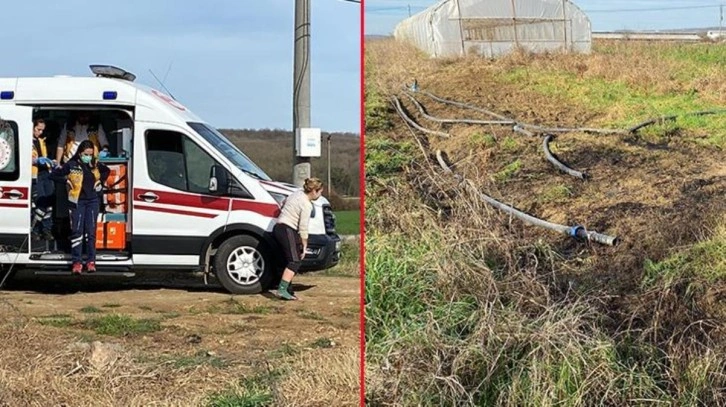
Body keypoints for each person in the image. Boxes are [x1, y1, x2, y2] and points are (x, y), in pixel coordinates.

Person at [51, 140, 110, 274]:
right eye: (85, 154)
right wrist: (66, 180)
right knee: (77, 231)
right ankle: (76, 262)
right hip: (76, 201)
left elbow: (107, 171)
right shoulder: (71, 165)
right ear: (80, 153)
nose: (88, 156)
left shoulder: (94, 164)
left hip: (92, 201)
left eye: (90, 154)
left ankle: (91, 261)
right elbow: (53, 175)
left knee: (91, 231)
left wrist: (100, 181)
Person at [272, 177, 324, 300]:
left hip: (278, 228)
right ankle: (282, 290)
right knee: (295, 261)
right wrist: (304, 244)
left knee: (286, 260)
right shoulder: (306, 204)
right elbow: (303, 226)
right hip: (287, 229)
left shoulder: (296, 193)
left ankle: (288, 290)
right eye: (320, 192)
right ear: (314, 191)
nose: (320, 195)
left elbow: (283, 202)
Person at [30, 118, 55, 240]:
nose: (40, 132)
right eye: (38, 129)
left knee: (49, 205)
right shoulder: (25, 140)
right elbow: (22, 158)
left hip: (46, 174)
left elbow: (44, 157)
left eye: (42, 130)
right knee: (40, 204)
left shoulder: (41, 141)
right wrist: (35, 161)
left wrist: (52, 163)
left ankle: (47, 230)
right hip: (35, 175)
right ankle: (34, 230)